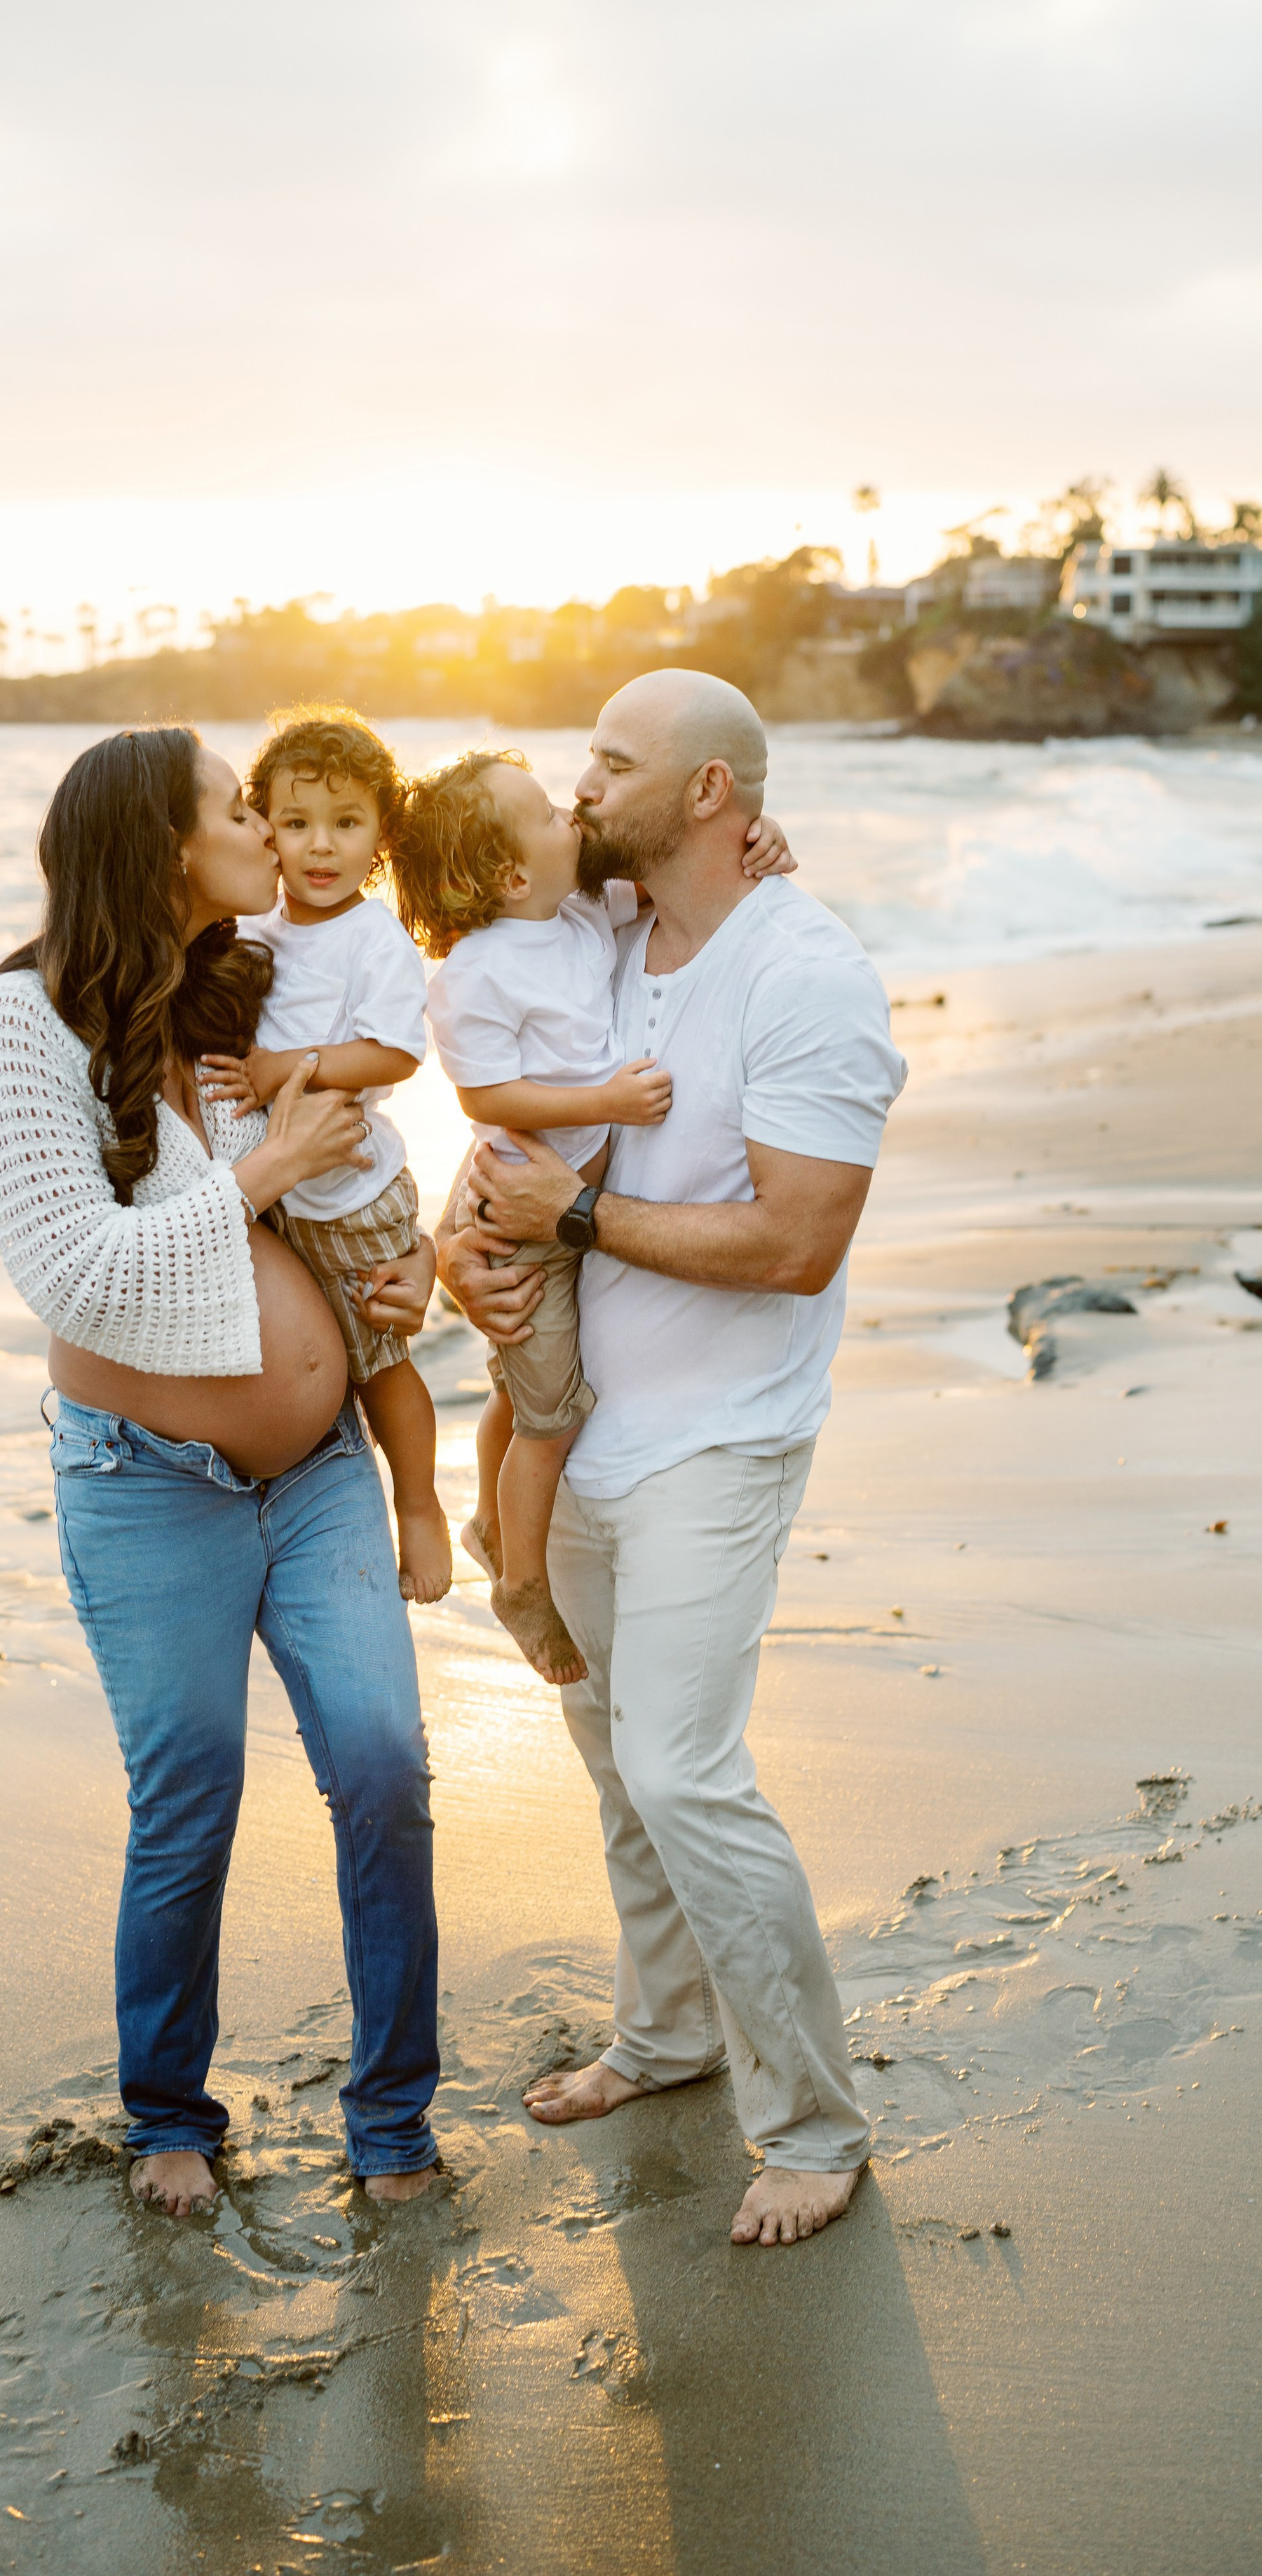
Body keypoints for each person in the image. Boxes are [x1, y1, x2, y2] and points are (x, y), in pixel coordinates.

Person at [0, 725, 443, 2216]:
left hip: (323, 1468)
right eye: (235, 810)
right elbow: (75, 1277)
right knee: (192, 1797)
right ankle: (166, 2114)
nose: (267, 833)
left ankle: (394, 2122)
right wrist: (261, 1173)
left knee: (388, 1766)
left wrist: (401, 1264)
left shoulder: (245, 983)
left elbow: (440, 972)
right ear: (163, 847)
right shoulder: (24, 1022)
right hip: (148, 1483)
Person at [437, 670, 907, 2249]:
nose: (579, 787)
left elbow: (794, 1241)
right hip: (583, 1445)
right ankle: (667, 2037)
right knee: (610, 1764)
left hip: (722, 1439)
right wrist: (466, 1242)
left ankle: (813, 2124)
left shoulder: (808, 975)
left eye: (612, 762)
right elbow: (510, 1124)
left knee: (682, 1770)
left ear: (710, 792)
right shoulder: (609, 934)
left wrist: (569, 1221)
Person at [394, 745, 794, 1686]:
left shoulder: (583, 913)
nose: (573, 810)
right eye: (545, 812)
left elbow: (671, 888)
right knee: (550, 1419)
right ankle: (522, 1586)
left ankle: (494, 1522)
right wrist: (605, 1105)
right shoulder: (477, 972)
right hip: (524, 1201)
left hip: (555, 1187)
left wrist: (763, 837)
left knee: (518, 1385)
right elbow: (487, 1099)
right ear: (509, 874)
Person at [199, 707, 453, 1604]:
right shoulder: (254, 929)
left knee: (380, 1363)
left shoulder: (370, 938)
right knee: (326, 1355)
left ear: (381, 836)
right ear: (261, 821)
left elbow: (393, 1053)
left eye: (347, 824)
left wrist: (283, 1070)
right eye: (297, 822)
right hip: (282, 1196)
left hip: (350, 1189)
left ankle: (418, 1504)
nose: (320, 846)